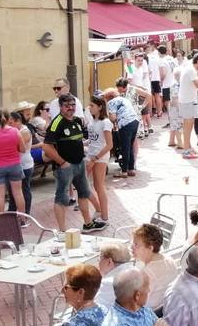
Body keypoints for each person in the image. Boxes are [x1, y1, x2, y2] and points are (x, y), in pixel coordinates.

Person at [42, 94, 104, 232]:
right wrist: (62, 162)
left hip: (79, 164)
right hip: (64, 168)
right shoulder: (56, 123)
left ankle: (88, 224)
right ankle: (63, 231)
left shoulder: (77, 121)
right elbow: (46, 147)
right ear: (60, 107)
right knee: (61, 199)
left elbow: (78, 141)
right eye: (67, 105)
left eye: (73, 105)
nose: (70, 108)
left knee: (83, 193)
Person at [83, 96, 113, 224]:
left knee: (99, 185)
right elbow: (93, 139)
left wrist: (95, 158)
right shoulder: (92, 122)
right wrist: (83, 142)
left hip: (99, 157)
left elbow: (109, 145)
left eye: (92, 106)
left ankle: (104, 216)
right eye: (89, 106)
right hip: (91, 154)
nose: (90, 108)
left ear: (100, 107)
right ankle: (99, 209)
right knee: (86, 184)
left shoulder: (105, 122)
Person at [106, 78, 143, 178]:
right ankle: (131, 169)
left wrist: (110, 119)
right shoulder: (124, 99)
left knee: (125, 147)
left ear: (108, 97)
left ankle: (124, 171)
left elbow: (113, 118)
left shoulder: (111, 102)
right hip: (135, 121)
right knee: (130, 146)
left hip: (125, 124)